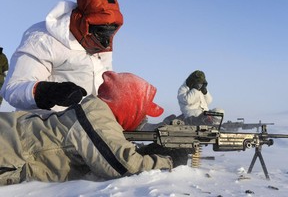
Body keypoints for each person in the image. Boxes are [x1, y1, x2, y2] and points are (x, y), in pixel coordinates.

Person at [0, 71, 189, 185]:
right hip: (6, 151)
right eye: (142, 113)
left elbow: (109, 151)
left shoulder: (95, 112)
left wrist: (144, 152)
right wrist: (169, 160)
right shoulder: (97, 118)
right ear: (130, 107)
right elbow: (125, 167)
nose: (143, 119)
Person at [0, 0, 123, 112]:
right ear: (82, 22)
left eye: (110, 32)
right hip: (47, 126)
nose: (105, 39)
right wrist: (49, 91)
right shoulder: (43, 39)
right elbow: (12, 88)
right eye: (100, 31)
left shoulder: (100, 44)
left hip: (87, 125)